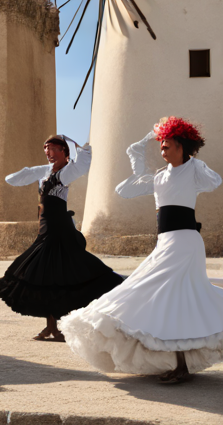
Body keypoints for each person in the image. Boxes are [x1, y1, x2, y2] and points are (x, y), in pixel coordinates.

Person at [59, 117, 223, 383]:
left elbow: (214, 181)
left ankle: (180, 366)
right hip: (166, 242)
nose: (162, 150)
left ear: (182, 146)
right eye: (160, 146)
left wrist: (195, 160)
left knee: (171, 295)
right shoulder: (159, 176)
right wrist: (144, 143)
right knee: (167, 297)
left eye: (167, 145)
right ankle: (178, 363)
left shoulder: (194, 170)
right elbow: (126, 189)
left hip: (185, 243)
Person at [0, 135, 124, 341]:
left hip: (59, 233)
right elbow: (14, 179)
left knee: (62, 277)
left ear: (65, 152)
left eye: (54, 149)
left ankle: (59, 327)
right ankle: (51, 328)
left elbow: (83, 163)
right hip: (45, 232)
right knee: (45, 279)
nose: (49, 153)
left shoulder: (67, 173)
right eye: (46, 149)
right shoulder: (46, 172)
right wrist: (35, 170)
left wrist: (75, 144)